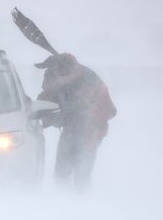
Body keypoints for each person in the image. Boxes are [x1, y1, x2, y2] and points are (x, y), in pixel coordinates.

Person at [36, 53, 116, 190]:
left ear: (69, 72)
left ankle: (82, 205)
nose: (52, 79)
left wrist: (85, 112)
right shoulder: (58, 79)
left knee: (82, 173)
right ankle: (63, 203)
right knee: (61, 173)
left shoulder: (91, 82)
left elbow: (110, 111)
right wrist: (43, 115)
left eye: (55, 75)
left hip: (91, 132)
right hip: (70, 129)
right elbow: (46, 100)